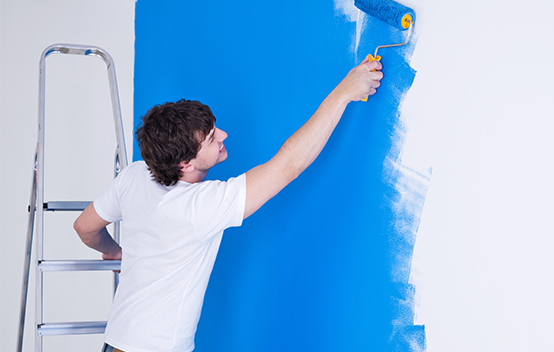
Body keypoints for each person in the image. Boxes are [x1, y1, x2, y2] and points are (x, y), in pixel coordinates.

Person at [74, 57, 383, 352]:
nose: (223, 135)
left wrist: (114, 251)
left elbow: (85, 226)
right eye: (210, 138)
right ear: (185, 164)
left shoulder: (136, 174)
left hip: (116, 342)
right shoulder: (197, 207)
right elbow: (287, 166)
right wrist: (344, 93)